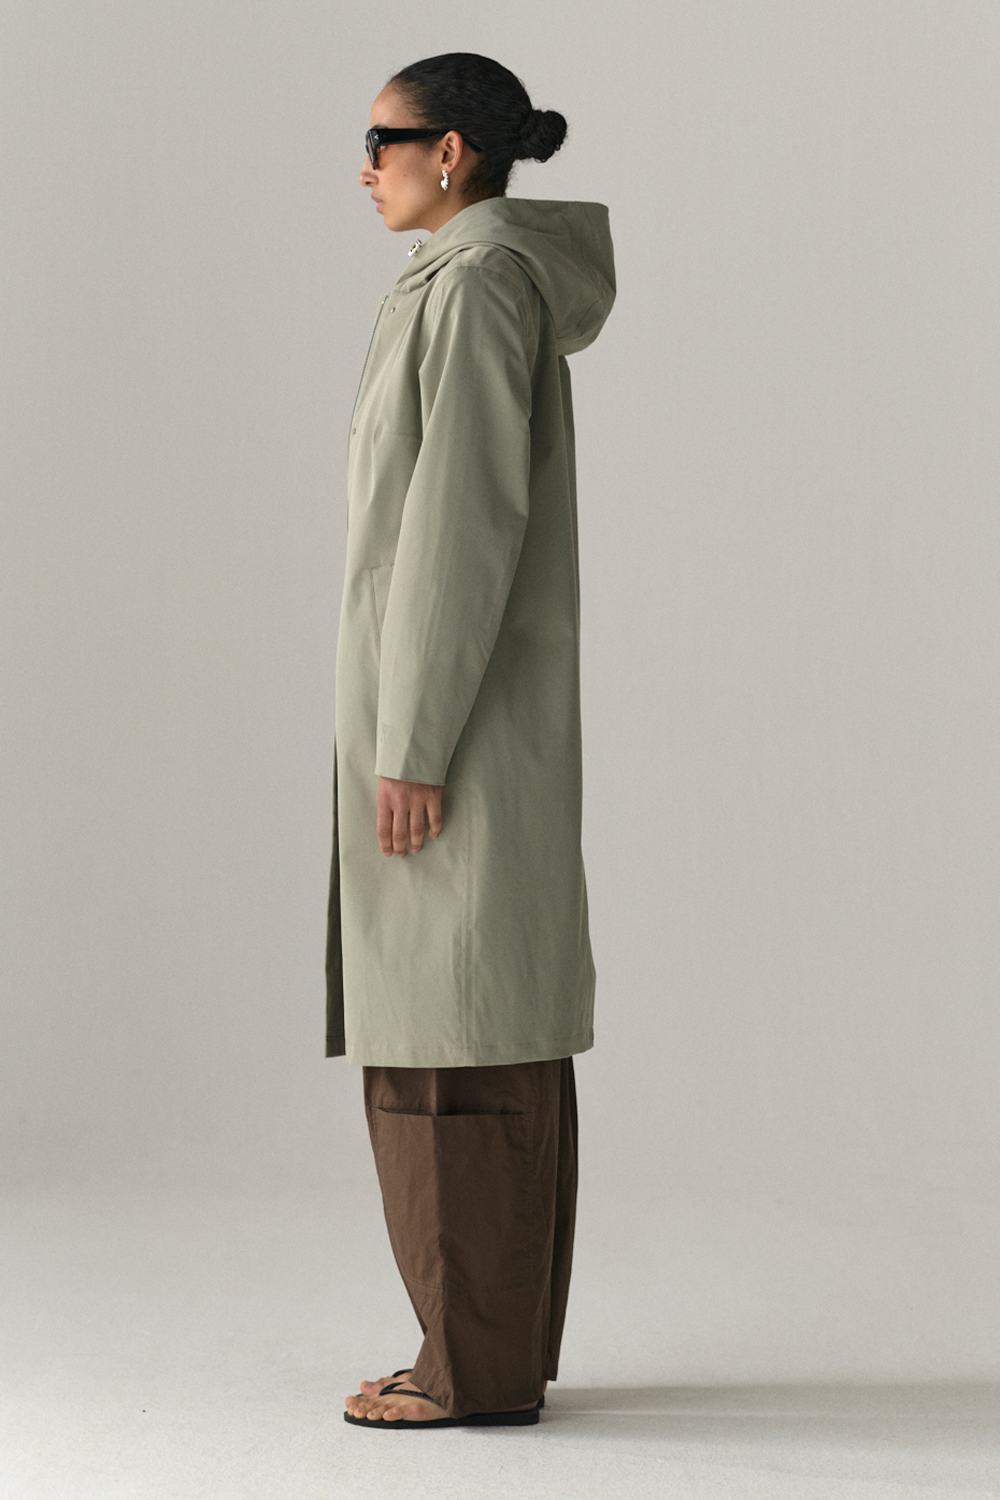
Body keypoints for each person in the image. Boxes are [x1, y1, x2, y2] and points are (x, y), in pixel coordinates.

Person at [326, 52, 616, 1429]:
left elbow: (458, 526)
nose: (363, 167)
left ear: (450, 152)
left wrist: (414, 741)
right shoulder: (466, 278)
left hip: (455, 735)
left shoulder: (481, 283)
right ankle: (490, 1355)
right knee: (482, 1024)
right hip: (464, 724)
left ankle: (471, 1372)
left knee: (451, 1037)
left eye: (379, 140)